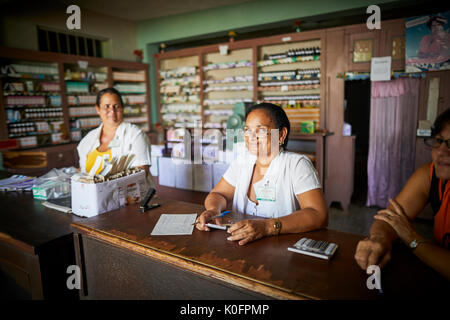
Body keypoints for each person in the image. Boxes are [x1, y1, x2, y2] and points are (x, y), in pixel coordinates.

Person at [195, 103, 328, 245]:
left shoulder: (297, 164)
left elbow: (318, 214)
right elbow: (218, 194)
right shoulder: (243, 160)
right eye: (247, 130)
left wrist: (267, 227)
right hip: (240, 244)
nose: (251, 137)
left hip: (280, 249)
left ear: (281, 134)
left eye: (261, 130)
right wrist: (214, 210)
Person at [354, 108, 450, 280]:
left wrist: (412, 239)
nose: (442, 152)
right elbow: (389, 218)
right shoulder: (430, 175)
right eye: (439, 141)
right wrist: (379, 238)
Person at [77, 87, 154, 187]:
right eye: (106, 106)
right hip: (93, 198)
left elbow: (142, 172)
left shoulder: (135, 134)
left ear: (122, 108)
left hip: (130, 198)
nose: (112, 111)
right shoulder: (87, 140)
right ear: (98, 109)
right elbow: (83, 172)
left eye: (116, 106)